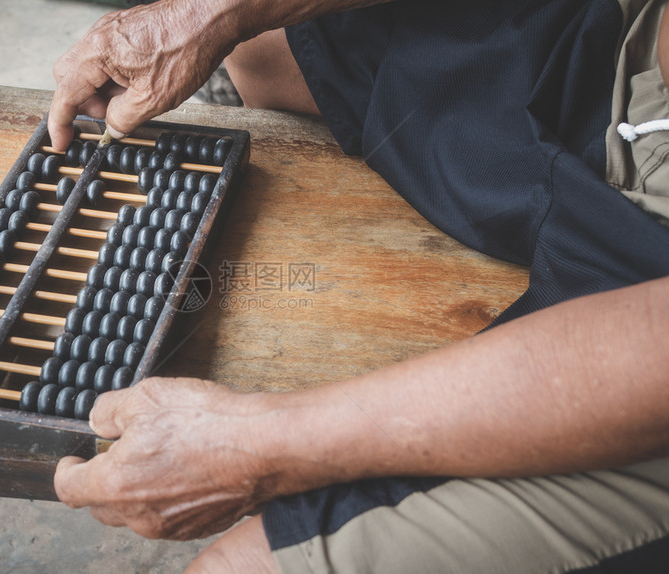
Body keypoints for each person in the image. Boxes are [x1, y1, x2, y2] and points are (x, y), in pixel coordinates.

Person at [49, 0, 669, 571]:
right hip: (633, 55)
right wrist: (211, 13)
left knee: (239, 569)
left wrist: (260, 443)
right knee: (256, 49)